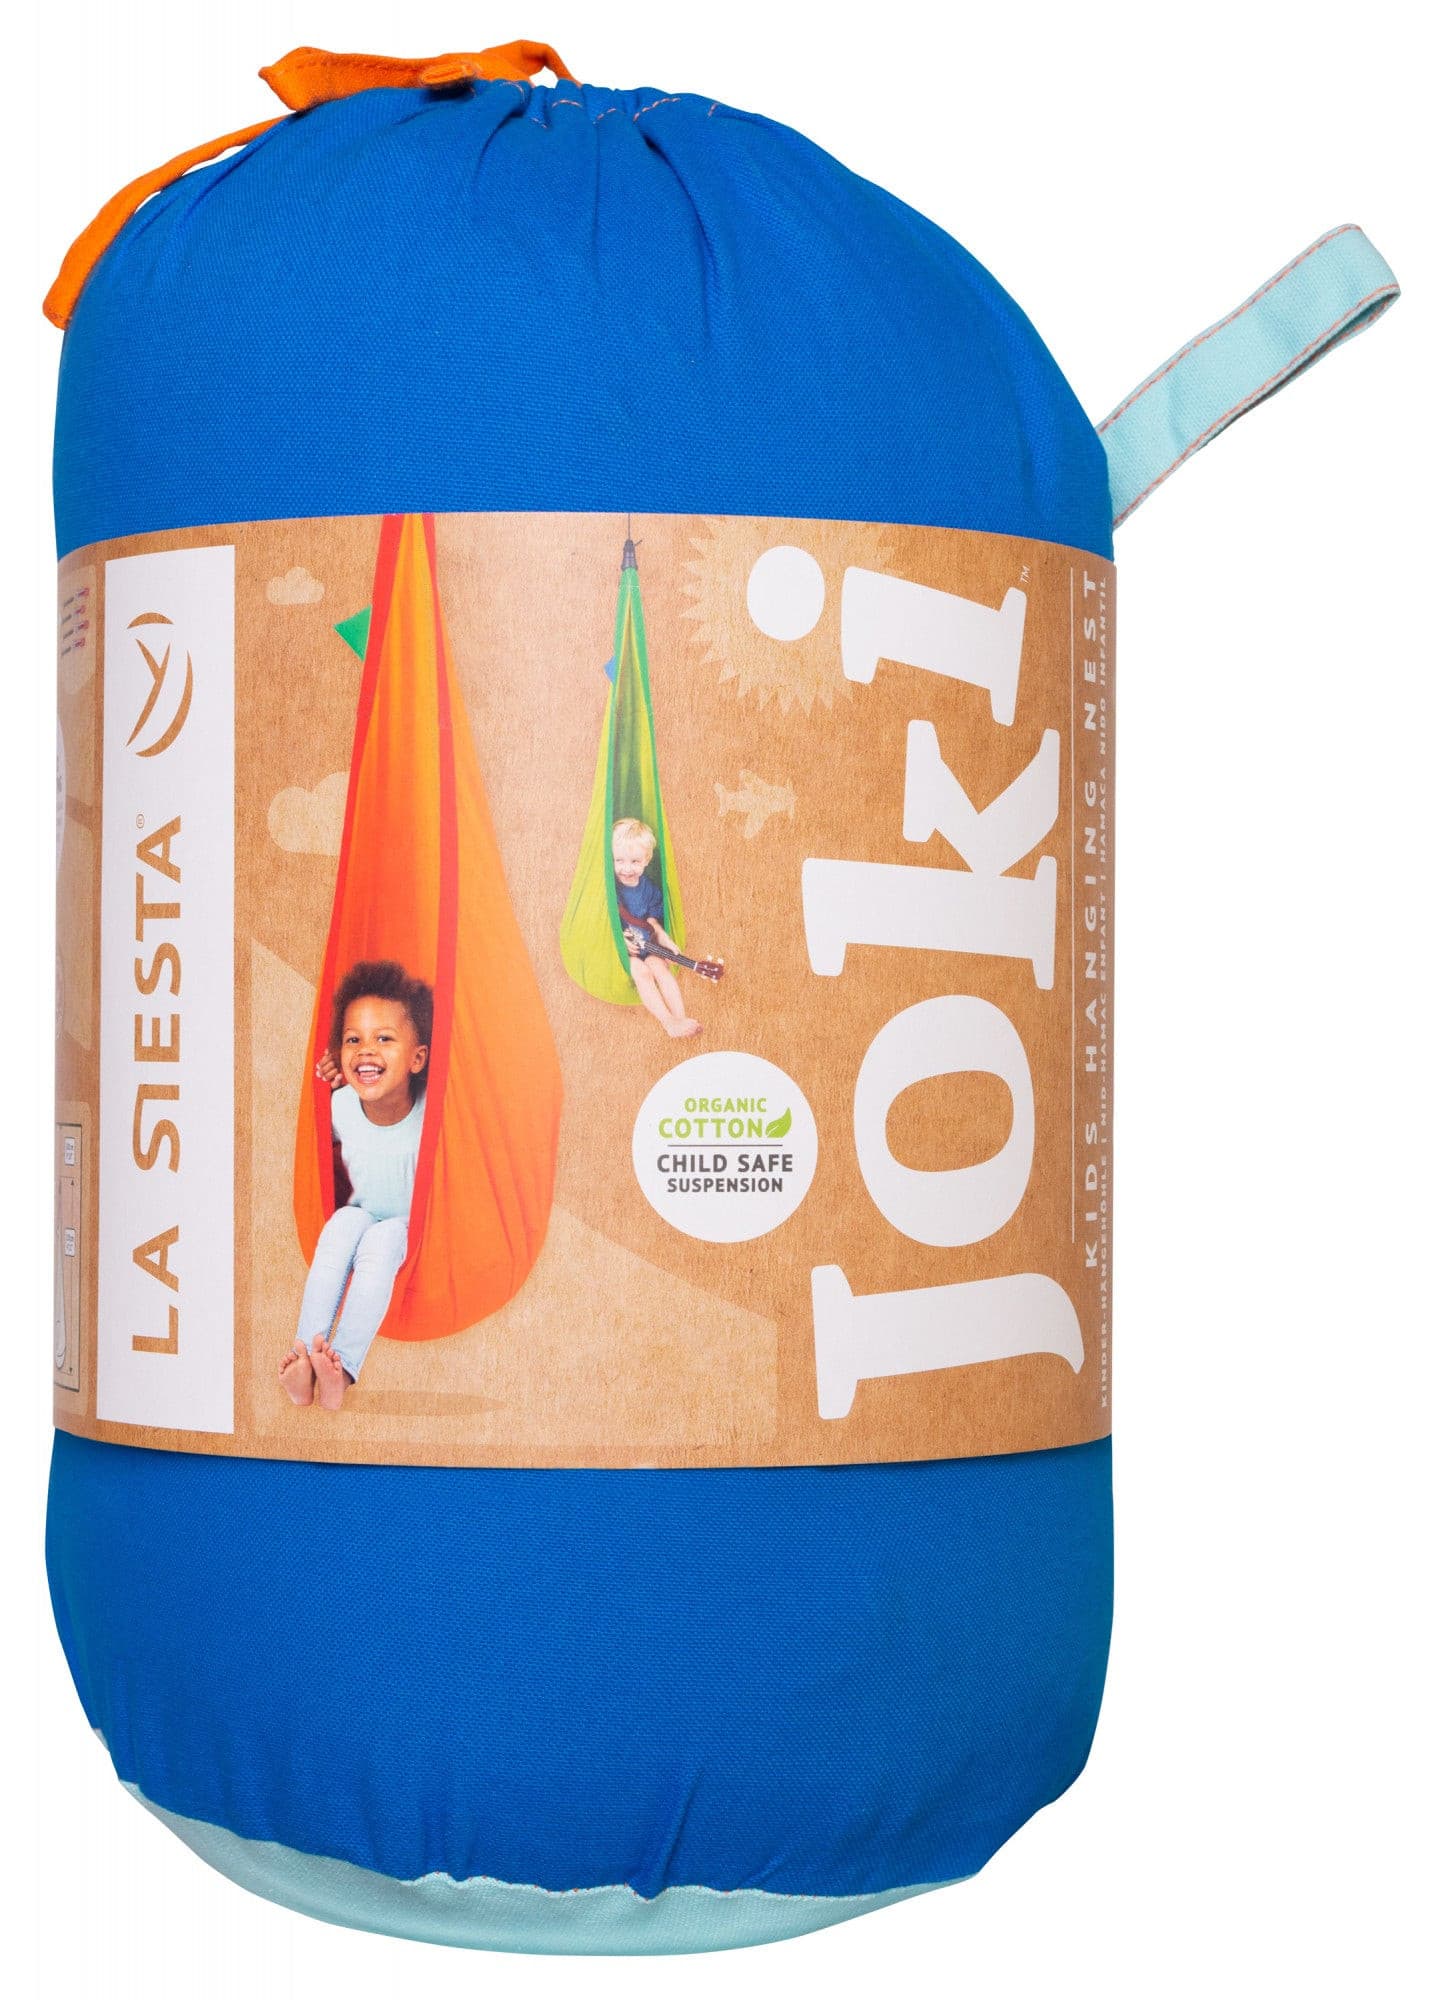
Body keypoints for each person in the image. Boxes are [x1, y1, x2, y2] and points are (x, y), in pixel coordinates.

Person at [279, 959, 432, 1411]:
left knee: (381, 1242)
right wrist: (322, 1083)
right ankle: (305, 1358)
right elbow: (313, 1149)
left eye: (384, 1039)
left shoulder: (433, 1110)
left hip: (410, 1227)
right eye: (353, 1040)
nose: (366, 1051)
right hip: (362, 1212)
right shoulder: (339, 1106)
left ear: (418, 1058)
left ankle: (341, 1370)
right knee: (342, 1225)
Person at [612, 817, 701, 1039]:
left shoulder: (649, 889)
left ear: (646, 860)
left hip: (647, 946)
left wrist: (664, 938)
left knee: (659, 966)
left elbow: (653, 922)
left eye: (635, 861)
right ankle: (668, 1022)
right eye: (619, 860)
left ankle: (680, 1018)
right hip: (623, 953)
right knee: (641, 971)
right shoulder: (610, 889)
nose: (626, 869)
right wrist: (621, 942)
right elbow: (605, 921)